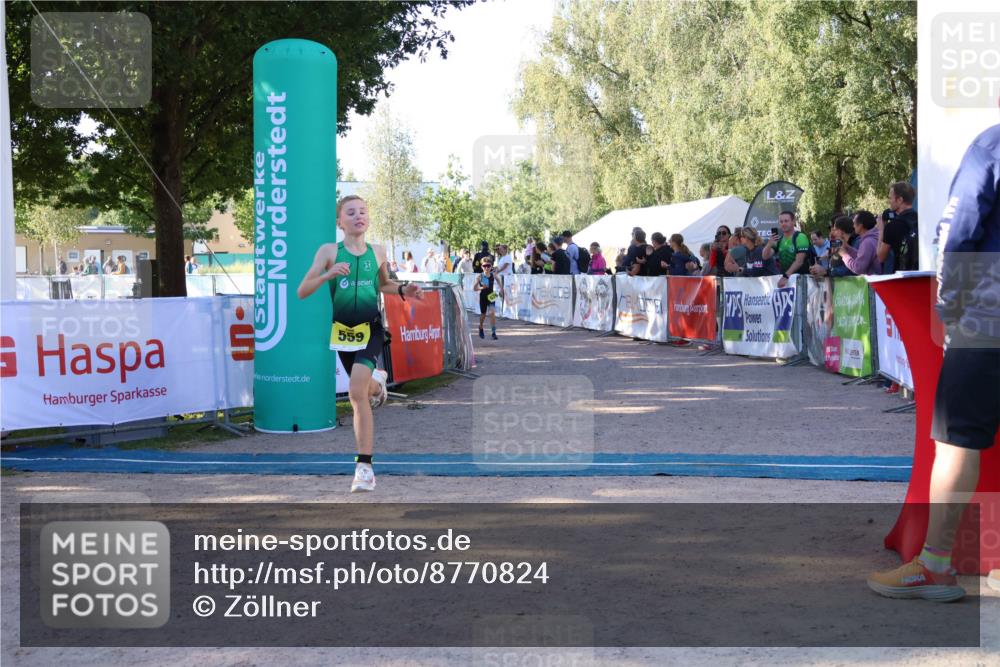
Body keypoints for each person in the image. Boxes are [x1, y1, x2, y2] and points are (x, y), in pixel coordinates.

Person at [867, 121, 1000, 602]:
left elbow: (958, 229)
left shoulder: (991, 144)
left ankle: (936, 565)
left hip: (988, 317)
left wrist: (948, 309)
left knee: (955, 441)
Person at [296, 195, 423, 493]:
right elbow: (302, 290)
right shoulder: (329, 251)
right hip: (342, 332)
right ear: (339, 222)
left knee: (355, 393)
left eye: (363, 211)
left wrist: (404, 289)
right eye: (351, 212)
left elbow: (383, 284)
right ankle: (378, 384)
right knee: (364, 390)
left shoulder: (377, 251)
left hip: (371, 329)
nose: (358, 216)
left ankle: (364, 468)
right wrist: (328, 274)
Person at [877, 181, 919, 273]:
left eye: (890, 198)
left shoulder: (892, 226)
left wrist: (881, 230)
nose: (889, 201)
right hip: (922, 274)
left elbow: (880, 258)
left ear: (900, 200)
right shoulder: (921, 220)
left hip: (903, 276)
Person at [762, 210, 811, 288]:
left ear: (793, 221)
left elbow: (799, 261)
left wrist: (785, 276)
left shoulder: (800, 237)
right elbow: (765, 256)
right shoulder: (780, 240)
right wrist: (769, 244)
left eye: (786, 221)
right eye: (781, 222)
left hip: (801, 281)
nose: (783, 224)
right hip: (787, 282)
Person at [838, 210, 882, 276]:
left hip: (873, 281)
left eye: (854, 223)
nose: (853, 226)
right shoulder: (873, 237)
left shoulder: (867, 242)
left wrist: (844, 255)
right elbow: (863, 257)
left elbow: (858, 268)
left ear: (860, 226)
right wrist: (848, 247)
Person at [474, 258, 499, 340]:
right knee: (483, 314)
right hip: (483, 296)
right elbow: (474, 288)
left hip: (491, 295)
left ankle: (493, 332)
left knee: (492, 313)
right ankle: (480, 327)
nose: (486, 268)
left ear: (491, 266)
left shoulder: (493, 275)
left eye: (488, 266)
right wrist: (482, 287)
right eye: (484, 266)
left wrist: (501, 290)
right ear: (482, 267)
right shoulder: (480, 276)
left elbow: (499, 281)